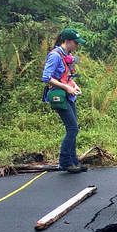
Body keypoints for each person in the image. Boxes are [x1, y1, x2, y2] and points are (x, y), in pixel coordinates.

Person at [42, 28, 88, 173]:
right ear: (67, 41)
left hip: (69, 95)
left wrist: (74, 85)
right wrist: (66, 88)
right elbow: (46, 77)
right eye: (75, 43)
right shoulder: (55, 56)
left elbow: (67, 76)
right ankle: (65, 162)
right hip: (59, 96)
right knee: (72, 128)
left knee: (74, 129)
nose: (77, 46)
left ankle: (74, 162)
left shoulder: (67, 55)